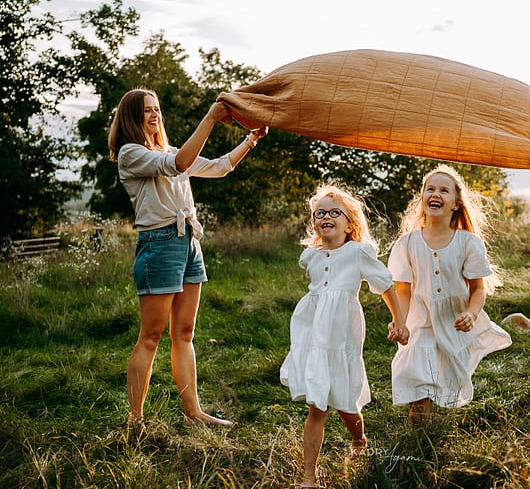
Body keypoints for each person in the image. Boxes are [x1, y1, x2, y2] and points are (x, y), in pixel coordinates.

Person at [108, 88, 269, 427]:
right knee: (151, 336)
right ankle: (134, 421)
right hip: (159, 244)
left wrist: (250, 140)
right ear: (131, 118)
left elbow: (219, 167)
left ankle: (194, 413)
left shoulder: (167, 150)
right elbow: (179, 164)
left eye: (157, 109)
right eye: (146, 111)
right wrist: (210, 117)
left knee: (184, 332)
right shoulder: (130, 154)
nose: (155, 115)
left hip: (188, 242)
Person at [279, 184, 409, 489]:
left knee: (346, 404)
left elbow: (386, 286)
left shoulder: (358, 252)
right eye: (319, 213)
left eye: (334, 212)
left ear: (350, 223)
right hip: (311, 331)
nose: (325, 216)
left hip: (342, 333)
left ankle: (359, 438)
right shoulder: (311, 256)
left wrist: (399, 320)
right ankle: (309, 476)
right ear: (314, 223)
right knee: (318, 404)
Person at [387, 164, 512, 424]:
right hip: (420, 323)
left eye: (444, 190)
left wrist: (471, 312)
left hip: (455, 324)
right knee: (420, 381)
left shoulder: (467, 243)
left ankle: (438, 431)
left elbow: (477, 288)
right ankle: (418, 436)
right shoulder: (407, 243)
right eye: (429, 189)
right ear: (421, 200)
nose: (436, 194)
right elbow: (403, 290)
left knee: (445, 382)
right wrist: (400, 321)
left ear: (455, 203)